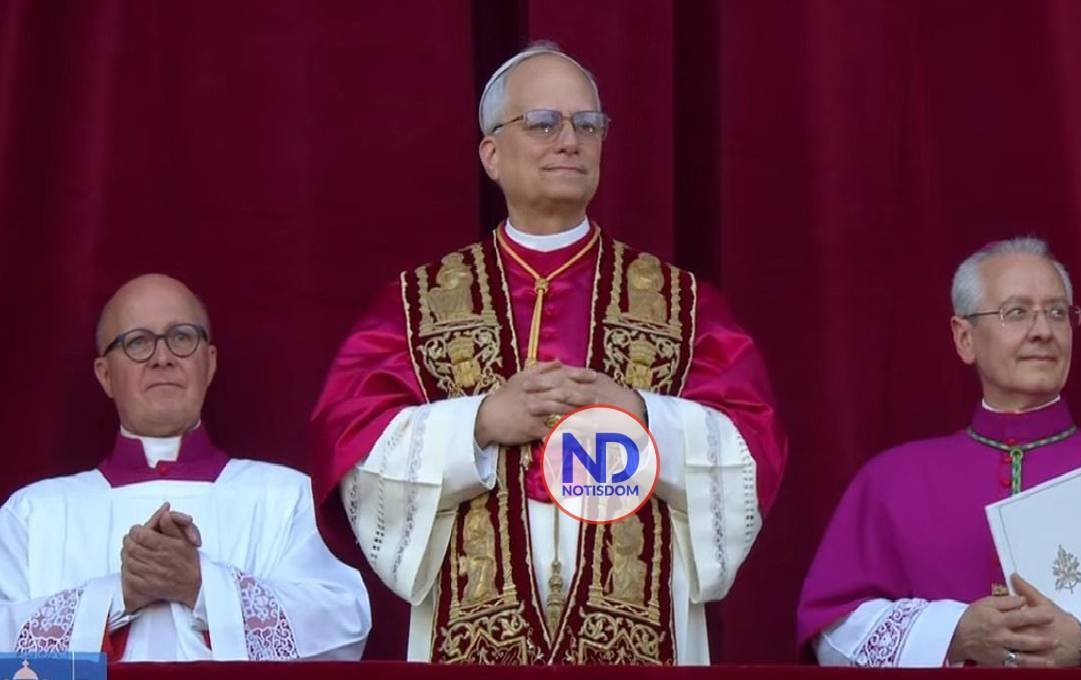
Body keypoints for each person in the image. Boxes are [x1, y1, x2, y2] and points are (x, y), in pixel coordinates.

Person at [311, 42, 787, 665]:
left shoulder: (683, 304)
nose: (569, 141)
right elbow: (353, 446)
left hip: (641, 630)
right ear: (491, 154)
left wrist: (642, 415)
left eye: (587, 125)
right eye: (543, 123)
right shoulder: (417, 304)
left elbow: (753, 448)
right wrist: (478, 423)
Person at [796, 237, 1081, 669]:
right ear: (964, 338)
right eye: (1017, 312)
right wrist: (954, 633)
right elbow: (833, 633)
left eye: (1057, 312)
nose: (1043, 331)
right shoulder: (891, 481)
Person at [0, 274, 371, 661]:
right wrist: (117, 595)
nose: (162, 357)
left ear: (209, 363)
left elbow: (343, 628)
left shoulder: (287, 498)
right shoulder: (33, 514)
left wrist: (203, 586)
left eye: (181, 337)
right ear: (105, 375)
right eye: (138, 342)